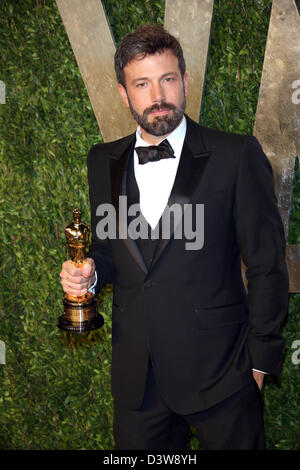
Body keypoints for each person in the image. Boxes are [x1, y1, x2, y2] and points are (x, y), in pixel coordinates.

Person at [60, 24, 289, 450]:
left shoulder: (235, 155)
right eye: (142, 84)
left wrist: (260, 362)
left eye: (167, 79)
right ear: (125, 94)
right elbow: (111, 250)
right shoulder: (102, 160)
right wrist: (89, 274)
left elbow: (266, 263)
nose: (157, 95)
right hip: (137, 383)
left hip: (223, 376)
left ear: (184, 81)